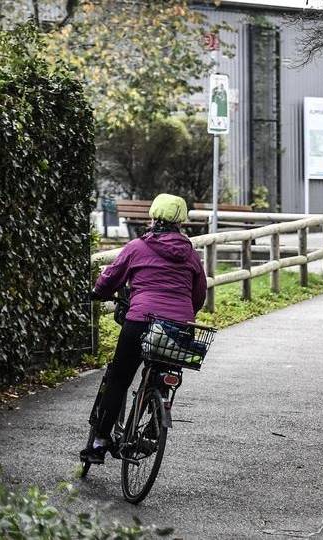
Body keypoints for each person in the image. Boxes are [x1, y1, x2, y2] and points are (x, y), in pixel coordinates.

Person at [81, 194, 207, 464]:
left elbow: (110, 278)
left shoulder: (136, 247)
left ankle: (100, 443)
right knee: (166, 372)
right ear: (181, 223)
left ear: (152, 217)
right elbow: (199, 296)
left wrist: (98, 292)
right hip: (179, 327)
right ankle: (153, 421)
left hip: (140, 321)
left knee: (120, 378)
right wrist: (183, 314)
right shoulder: (192, 255)